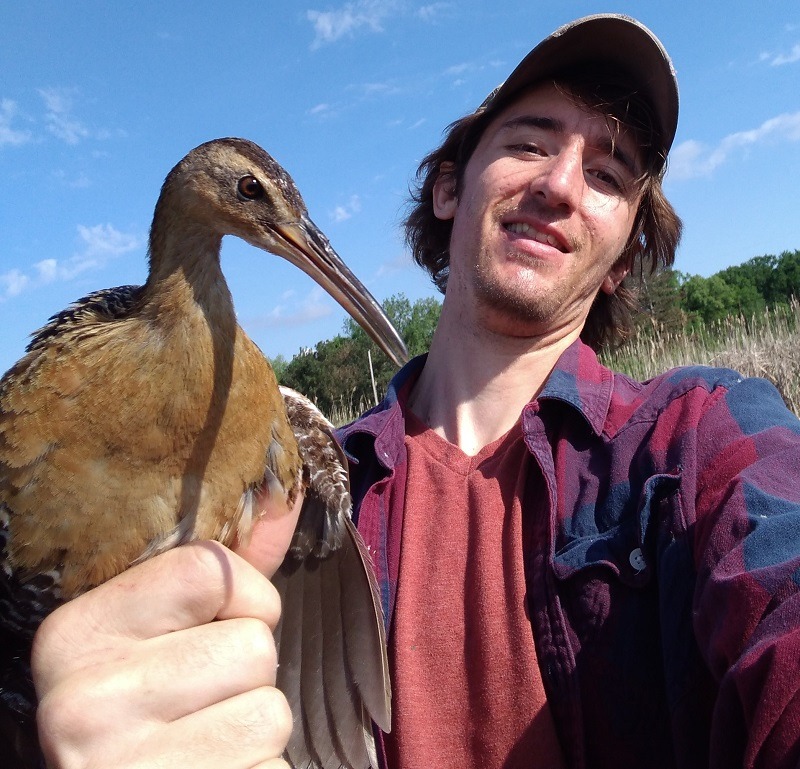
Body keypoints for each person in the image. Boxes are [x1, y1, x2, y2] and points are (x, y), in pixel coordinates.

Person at [9, 13, 800, 769]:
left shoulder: (705, 441)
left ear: (625, 255)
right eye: (529, 143)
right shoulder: (319, 478)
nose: (561, 183)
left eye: (606, 175)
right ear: (448, 190)